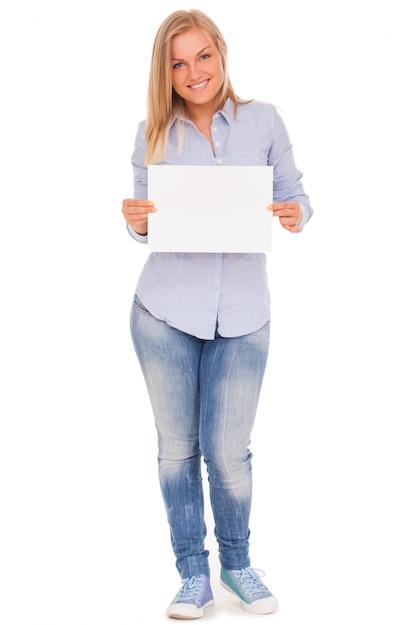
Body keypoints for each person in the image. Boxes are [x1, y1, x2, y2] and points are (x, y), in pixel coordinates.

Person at [122, 9, 312, 620]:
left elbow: (298, 194)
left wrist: (294, 214)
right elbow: (143, 227)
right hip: (165, 312)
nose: (193, 72)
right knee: (177, 450)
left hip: (243, 315)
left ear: (221, 55)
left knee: (229, 451)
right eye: (178, 63)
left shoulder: (265, 121)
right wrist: (135, 221)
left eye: (203, 56)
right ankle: (191, 575)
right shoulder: (152, 132)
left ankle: (237, 563)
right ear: (166, 72)